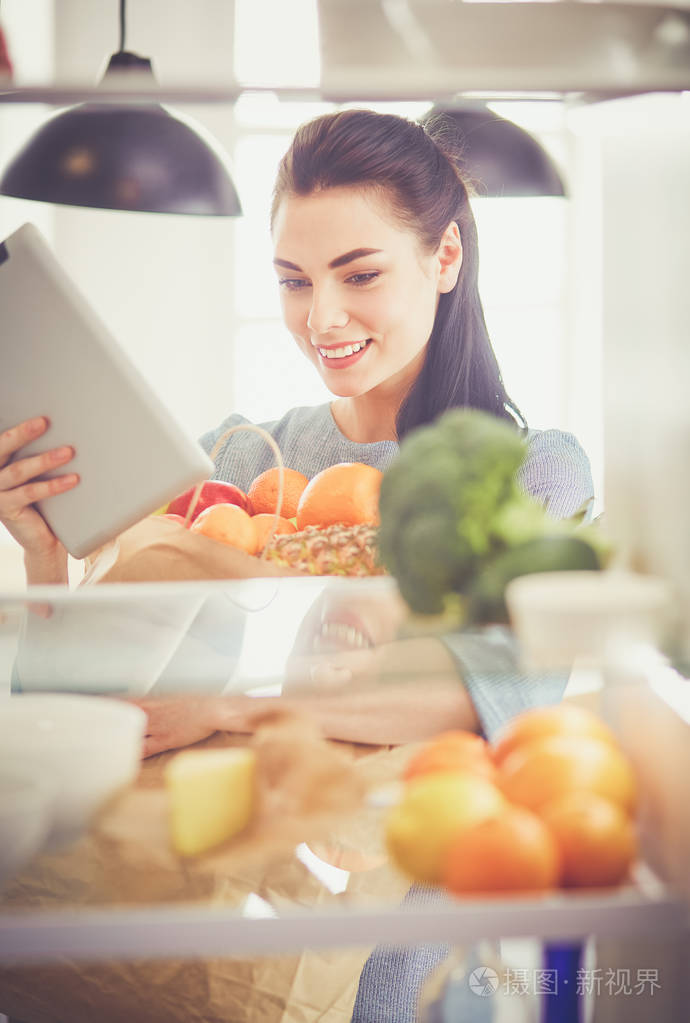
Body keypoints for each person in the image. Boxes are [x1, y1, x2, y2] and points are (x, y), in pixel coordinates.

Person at [0, 108, 594, 1021]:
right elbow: (87, 701)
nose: (321, 318)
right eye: (292, 281)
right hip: (204, 917)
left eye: (360, 274)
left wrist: (228, 709)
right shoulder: (237, 460)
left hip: (398, 944)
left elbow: (494, 693)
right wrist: (45, 555)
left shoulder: (531, 471)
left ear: (444, 259)